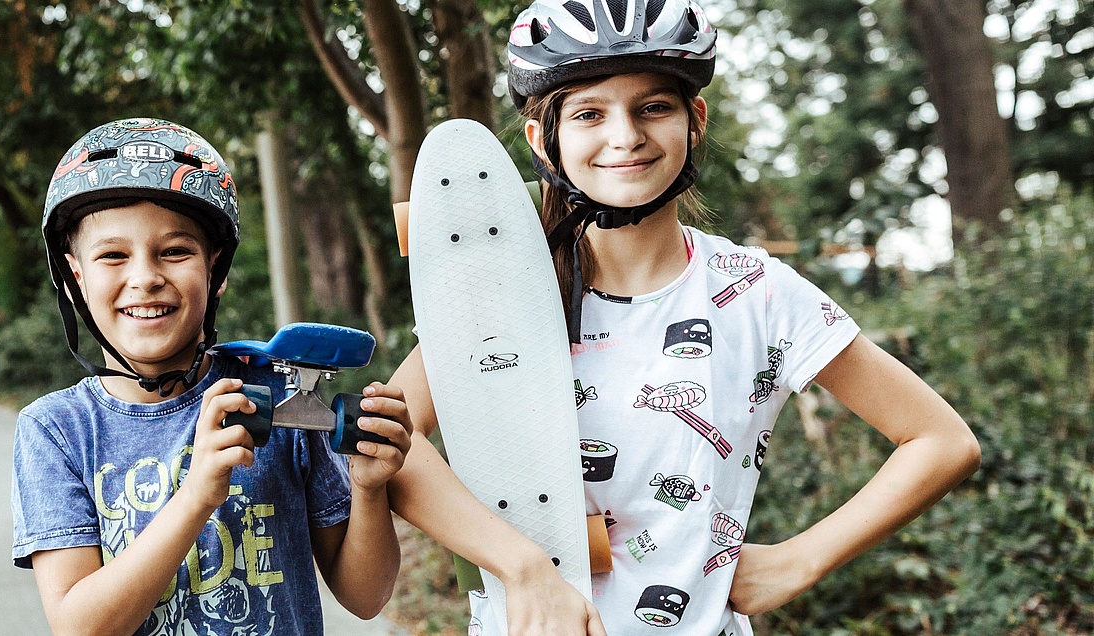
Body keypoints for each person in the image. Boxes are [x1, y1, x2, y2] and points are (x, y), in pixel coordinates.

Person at [382, 0, 983, 634]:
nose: (625, 136)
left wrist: (799, 561)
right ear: (544, 140)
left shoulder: (755, 292)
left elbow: (942, 442)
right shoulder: (503, 292)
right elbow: (388, 440)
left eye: (653, 107)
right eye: (589, 113)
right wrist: (521, 566)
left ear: (694, 120)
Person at [11, 118, 416, 635]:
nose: (145, 278)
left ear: (214, 269)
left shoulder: (278, 395)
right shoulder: (56, 431)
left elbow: (366, 596)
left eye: (175, 251)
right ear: (74, 277)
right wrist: (196, 495)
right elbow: (80, 627)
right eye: (113, 255)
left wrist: (368, 489)